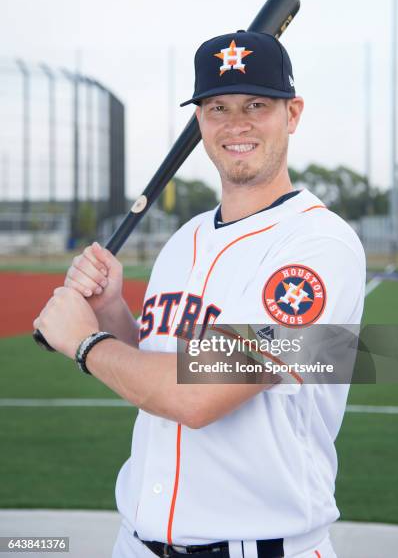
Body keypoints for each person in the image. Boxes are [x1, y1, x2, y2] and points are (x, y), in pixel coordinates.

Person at [34, 30, 366, 558]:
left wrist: (86, 343)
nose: (236, 124)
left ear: (293, 114)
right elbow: (158, 369)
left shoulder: (318, 246)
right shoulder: (185, 239)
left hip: (257, 548)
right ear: (200, 123)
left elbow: (198, 395)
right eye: (217, 107)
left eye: (256, 104)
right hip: (137, 542)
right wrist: (112, 313)